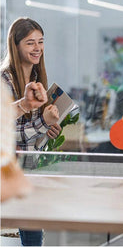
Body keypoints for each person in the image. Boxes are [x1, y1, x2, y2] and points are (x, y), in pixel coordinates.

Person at [1, 17, 61, 246]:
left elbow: (31, 134)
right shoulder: (4, 80)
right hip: (10, 172)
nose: (38, 48)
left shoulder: (36, 78)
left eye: (41, 41)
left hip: (31, 168)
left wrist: (49, 130)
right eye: (30, 42)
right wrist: (43, 124)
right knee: (33, 236)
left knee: (34, 234)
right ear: (15, 46)